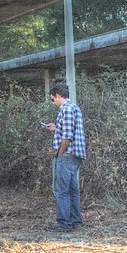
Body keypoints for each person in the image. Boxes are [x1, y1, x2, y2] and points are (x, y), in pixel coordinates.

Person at [44, 82, 86, 232]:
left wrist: (59, 153)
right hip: (75, 155)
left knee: (61, 191)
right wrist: (55, 128)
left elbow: (67, 137)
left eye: (52, 99)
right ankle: (76, 221)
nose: (53, 102)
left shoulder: (66, 109)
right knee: (72, 190)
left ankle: (64, 223)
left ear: (57, 95)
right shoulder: (74, 108)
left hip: (67, 155)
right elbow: (68, 130)